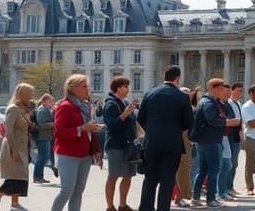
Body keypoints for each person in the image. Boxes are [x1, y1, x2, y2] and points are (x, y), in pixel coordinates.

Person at [138, 66, 193, 211]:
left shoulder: (150, 93)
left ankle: (145, 208)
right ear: (178, 78)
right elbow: (188, 122)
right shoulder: (182, 97)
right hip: (172, 143)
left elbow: (141, 117)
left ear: (164, 77)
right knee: (167, 180)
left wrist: (151, 131)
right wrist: (174, 130)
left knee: (150, 178)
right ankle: (163, 208)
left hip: (151, 142)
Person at [50, 74, 103, 211]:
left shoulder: (87, 107)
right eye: (85, 87)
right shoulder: (65, 106)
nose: (88, 89)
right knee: (66, 191)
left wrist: (96, 150)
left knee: (78, 192)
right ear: (73, 89)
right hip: (68, 154)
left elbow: (91, 131)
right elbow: (59, 133)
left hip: (85, 154)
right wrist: (82, 129)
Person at [190, 79, 238, 208]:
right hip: (210, 140)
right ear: (213, 88)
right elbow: (211, 120)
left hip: (207, 140)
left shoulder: (210, 102)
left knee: (203, 170)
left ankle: (195, 197)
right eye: (221, 88)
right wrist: (227, 122)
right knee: (213, 170)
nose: (223, 91)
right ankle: (211, 199)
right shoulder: (209, 103)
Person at [0, 83, 35, 211]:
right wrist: (13, 150)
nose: (31, 96)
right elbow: (9, 131)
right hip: (13, 145)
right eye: (29, 93)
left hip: (22, 146)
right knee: (16, 176)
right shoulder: (13, 109)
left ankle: (15, 203)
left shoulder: (23, 110)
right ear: (21, 94)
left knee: (20, 175)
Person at [103, 77, 138, 211]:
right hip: (116, 145)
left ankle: (123, 205)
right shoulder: (111, 104)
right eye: (125, 86)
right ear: (118, 88)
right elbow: (112, 126)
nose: (128, 89)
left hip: (129, 145)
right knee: (114, 175)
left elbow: (131, 122)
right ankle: (110, 206)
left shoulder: (125, 102)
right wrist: (125, 114)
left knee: (128, 175)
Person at [174, 86, 198, 208]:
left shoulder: (192, 108)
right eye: (184, 93)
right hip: (179, 140)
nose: (188, 96)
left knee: (185, 169)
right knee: (181, 169)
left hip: (188, 141)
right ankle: (178, 197)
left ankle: (181, 196)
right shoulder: (177, 108)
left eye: (189, 93)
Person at [216, 83, 240, 202]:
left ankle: (223, 190)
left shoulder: (226, 105)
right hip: (218, 138)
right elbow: (220, 121)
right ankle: (219, 192)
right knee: (221, 166)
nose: (227, 95)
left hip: (228, 137)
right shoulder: (215, 105)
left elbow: (232, 119)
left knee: (228, 165)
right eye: (225, 93)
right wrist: (228, 122)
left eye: (228, 93)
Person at [225, 83, 244, 197]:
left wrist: (241, 130)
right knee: (230, 163)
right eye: (237, 90)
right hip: (230, 135)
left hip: (237, 135)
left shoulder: (239, 104)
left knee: (235, 163)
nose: (239, 93)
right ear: (232, 91)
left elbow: (240, 119)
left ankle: (230, 186)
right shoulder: (229, 103)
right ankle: (227, 187)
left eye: (241, 91)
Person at [33, 93, 55, 184]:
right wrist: (54, 124)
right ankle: (37, 177)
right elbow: (41, 125)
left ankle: (39, 177)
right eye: (51, 101)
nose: (52, 102)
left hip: (45, 137)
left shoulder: (45, 109)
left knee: (43, 157)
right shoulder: (41, 110)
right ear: (45, 101)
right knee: (42, 157)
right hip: (42, 137)